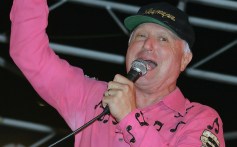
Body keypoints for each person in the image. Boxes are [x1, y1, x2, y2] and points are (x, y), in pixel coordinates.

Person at [9, 0, 225, 146]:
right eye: (140, 36)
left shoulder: (200, 119)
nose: (148, 45)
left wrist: (129, 118)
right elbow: (28, 53)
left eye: (163, 39)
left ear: (184, 60)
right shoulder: (92, 97)